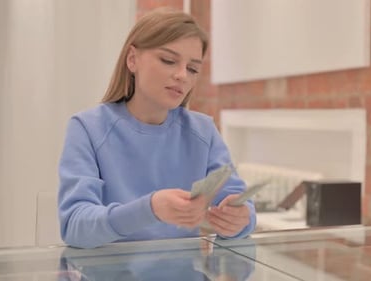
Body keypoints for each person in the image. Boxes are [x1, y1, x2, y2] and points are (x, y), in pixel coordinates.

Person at [58, 7, 256, 249]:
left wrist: (240, 220)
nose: (183, 75)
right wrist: (150, 209)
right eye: (168, 60)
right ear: (132, 59)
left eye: (193, 68)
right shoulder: (88, 128)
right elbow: (75, 228)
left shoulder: (204, 130)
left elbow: (238, 205)